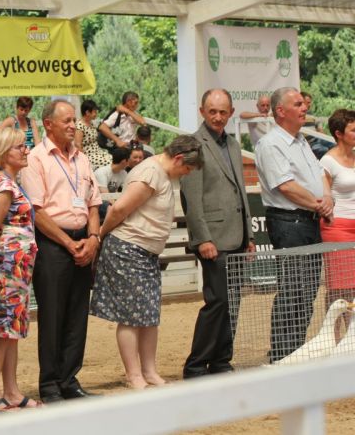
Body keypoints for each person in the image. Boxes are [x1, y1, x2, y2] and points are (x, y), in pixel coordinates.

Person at [90, 135, 203, 389]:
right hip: (128, 247)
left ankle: (149, 371)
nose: (185, 174)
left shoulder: (159, 172)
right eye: (186, 168)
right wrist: (101, 234)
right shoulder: (150, 172)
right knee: (131, 315)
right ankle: (134, 374)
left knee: (149, 314)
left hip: (145, 251)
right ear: (178, 158)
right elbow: (119, 210)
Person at [20, 99, 102, 403]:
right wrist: (69, 244)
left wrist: (93, 238)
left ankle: (70, 379)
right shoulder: (35, 159)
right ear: (48, 124)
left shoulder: (82, 159)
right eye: (66, 121)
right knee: (53, 315)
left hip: (84, 239)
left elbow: (94, 202)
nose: (73, 126)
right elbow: (37, 212)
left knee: (77, 314)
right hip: (53, 243)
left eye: (74, 121)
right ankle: (50, 384)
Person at [255, 86, 334, 363]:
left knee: (308, 290)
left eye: (304, 103)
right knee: (293, 290)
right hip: (290, 222)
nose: (305, 108)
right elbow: (286, 186)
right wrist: (318, 204)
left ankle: (296, 352)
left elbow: (319, 176)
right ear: (281, 111)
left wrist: (326, 199)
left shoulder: (301, 141)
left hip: (309, 222)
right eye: (298, 104)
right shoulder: (271, 144)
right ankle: (281, 355)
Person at [180, 89, 255, 379]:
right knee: (217, 302)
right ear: (202, 111)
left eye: (223, 111)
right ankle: (196, 364)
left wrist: (249, 237)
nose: (218, 116)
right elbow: (192, 198)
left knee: (233, 301)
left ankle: (222, 361)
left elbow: (241, 193)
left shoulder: (234, 144)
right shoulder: (192, 145)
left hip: (237, 237)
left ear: (231, 113)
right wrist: (203, 239)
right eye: (212, 111)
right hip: (213, 239)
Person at [0, 127, 38, 410]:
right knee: (5, 327)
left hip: (17, 266)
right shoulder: (3, 185)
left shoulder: (10, 183)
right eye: (20, 147)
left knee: (12, 327)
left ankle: (12, 390)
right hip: (6, 265)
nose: (25, 150)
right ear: (5, 153)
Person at [319, 109, 355, 316]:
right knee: (339, 289)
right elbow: (325, 196)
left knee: (354, 288)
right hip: (338, 229)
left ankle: (352, 337)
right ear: (339, 134)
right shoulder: (327, 161)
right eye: (353, 130)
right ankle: (333, 336)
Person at [74, 99, 112, 169]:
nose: (96, 114)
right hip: (89, 155)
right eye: (94, 112)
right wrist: (83, 160)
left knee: (114, 159)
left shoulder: (91, 123)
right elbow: (78, 144)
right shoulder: (79, 126)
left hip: (98, 151)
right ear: (87, 112)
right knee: (110, 162)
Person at [301, 91, 333, 159]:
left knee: (334, 143)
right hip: (309, 143)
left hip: (318, 139)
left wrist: (321, 131)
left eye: (310, 102)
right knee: (323, 150)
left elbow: (318, 124)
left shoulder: (311, 114)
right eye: (308, 102)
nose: (310, 104)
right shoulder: (297, 114)